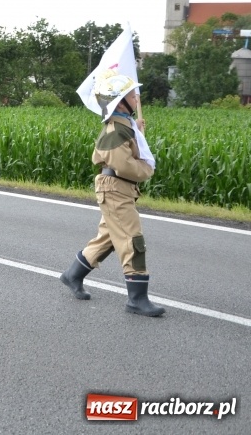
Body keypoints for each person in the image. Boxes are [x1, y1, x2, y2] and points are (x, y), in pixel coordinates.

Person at [60, 70, 165, 317]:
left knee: (108, 237)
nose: (136, 98)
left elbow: (129, 153)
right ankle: (137, 300)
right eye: (131, 94)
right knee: (131, 239)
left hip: (119, 188)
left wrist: (137, 130)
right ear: (119, 101)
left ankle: (72, 275)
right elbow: (125, 164)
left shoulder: (124, 125)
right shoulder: (115, 131)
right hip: (116, 187)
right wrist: (147, 169)